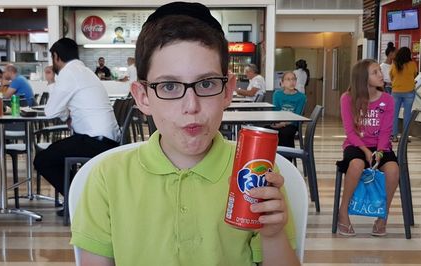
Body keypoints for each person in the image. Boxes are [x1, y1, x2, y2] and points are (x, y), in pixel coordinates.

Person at [70, 3, 299, 265]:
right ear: (143, 97)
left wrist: (272, 235)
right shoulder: (107, 178)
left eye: (206, 84)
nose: (191, 106)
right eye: (169, 86)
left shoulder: (255, 171)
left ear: (227, 91)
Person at [34, 38, 121, 216]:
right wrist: (67, 115)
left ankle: (82, 202)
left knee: (43, 160)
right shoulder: (84, 71)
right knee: (56, 152)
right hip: (106, 138)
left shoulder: (69, 73)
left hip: (96, 141)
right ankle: (84, 200)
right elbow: (65, 110)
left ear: (56, 56)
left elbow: (50, 111)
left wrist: (51, 83)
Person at [337, 59, 400, 237]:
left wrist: (379, 152)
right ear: (363, 78)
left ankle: (382, 216)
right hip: (356, 145)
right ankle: (343, 212)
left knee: (393, 170)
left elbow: (386, 130)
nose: (381, 75)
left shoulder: (388, 100)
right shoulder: (347, 98)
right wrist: (365, 151)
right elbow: (350, 131)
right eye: (375, 72)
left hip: (380, 146)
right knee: (356, 165)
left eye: (380, 70)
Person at [269, 72, 306, 149]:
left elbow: (297, 116)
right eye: (288, 79)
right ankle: (269, 158)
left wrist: (284, 123)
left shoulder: (301, 97)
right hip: (279, 121)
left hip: (292, 124)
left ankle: (287, 159)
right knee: (265, 130)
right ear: (282, 83)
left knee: (284, 133)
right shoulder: (277, 94)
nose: (291, 82)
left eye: (293, 79)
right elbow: (275, 111)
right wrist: (277, 123)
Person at [389, 46, 417, 143]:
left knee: (394, 114)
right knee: (407, 114)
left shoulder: (395, 64)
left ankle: (394, 136)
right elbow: (414, 74)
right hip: (409, 91)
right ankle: (405, 137)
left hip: (396, 91)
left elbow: (391, 76)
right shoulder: (412, 64)